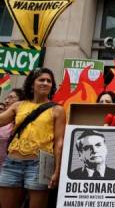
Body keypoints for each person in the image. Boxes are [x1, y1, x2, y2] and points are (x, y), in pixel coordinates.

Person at [0, 68, 66, 208]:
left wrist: (57, 171)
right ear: (32, 84)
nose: (46, 83)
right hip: (12, 163)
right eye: (41, 80)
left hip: (40, 165)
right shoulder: (18, 106)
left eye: (49, 81)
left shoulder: (57, 110)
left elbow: (59, 143)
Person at [0, 88, 23, 170]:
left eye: (11, 97)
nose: (6, 101)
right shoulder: (3, 122)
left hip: (15, 169)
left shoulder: (25, 123)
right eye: (6, 98)